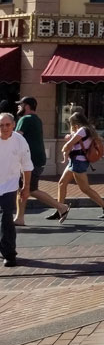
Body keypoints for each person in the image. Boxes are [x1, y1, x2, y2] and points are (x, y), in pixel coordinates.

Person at [14, 97, 69, 225]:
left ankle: (61, 207)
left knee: (30, 189)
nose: (18, 107)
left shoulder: (25, 119)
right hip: (36, 159)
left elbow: (16, 138)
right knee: (23, 189)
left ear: (26, 106)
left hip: (30, 160)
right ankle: (19, 218)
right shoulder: (37, 119)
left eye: (20, 104)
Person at [57, 112, 104, 218]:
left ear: (75, 122)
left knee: (85, 189)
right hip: (75, 161)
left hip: (78, 162)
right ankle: (60, 209)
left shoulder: (83, 130)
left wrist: (64, 147)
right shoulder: (88, 129)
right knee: (62, 183)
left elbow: (69, 144)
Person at [0, 113, 34, 267]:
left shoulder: (20, 141)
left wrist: (26, 187)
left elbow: (26, 165)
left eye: (7, 125)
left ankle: (9, 254)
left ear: (13, 125)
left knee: (6, 218)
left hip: (9, 185)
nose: (4, 128)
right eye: (1, 125)